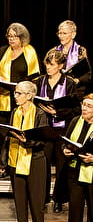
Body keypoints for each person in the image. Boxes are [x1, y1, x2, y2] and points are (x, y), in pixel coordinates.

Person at [0, 22, 40, 179]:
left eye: (14, 36)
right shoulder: (2, 51)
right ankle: (3, 166)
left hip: (22, 101)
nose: (11, 39)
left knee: (19, 134)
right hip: (4, 99)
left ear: (22, 37)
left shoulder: (29, 52)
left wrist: (23, 88)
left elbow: (35, 76)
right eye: (9, 36)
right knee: (4, 135)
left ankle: (18, 165)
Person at [34, 50, 79, 213]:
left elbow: (76, 109)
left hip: (62, 131)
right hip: (45, 129)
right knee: (43, 165)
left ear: (60, 66)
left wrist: (57, 112)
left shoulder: (69, 83)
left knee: (61, 166)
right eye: (47, 63)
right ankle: (43, 198)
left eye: (52, 64)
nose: (48, 67)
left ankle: (59, 199)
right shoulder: (40, 81)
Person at [5, 81, 48, 222]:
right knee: (19, 202)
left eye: (19, 93)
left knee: (36, 203)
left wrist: (27, 141)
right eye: (15, 93)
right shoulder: (15, 112)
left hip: (34, 161)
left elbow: (43, 140)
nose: (15, 96)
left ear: (30, 95)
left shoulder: (39, 114)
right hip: (16, 160)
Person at [62, 93, 93, 222]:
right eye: (83, 104)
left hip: (91, 172)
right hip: (74, 170)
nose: (84, 108)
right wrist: (65, 149)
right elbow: (65, 141)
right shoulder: (75, 121)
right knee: (75, 207)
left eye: (88, 106)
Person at [52, 20, 91, 100]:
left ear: (73, 35)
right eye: (60, 33)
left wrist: (77, 80)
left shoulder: (81, 51)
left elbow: (88, 73)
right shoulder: (54, 51)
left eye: (64, 33)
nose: (61, 36)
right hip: (57, 88)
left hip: (76, 89)